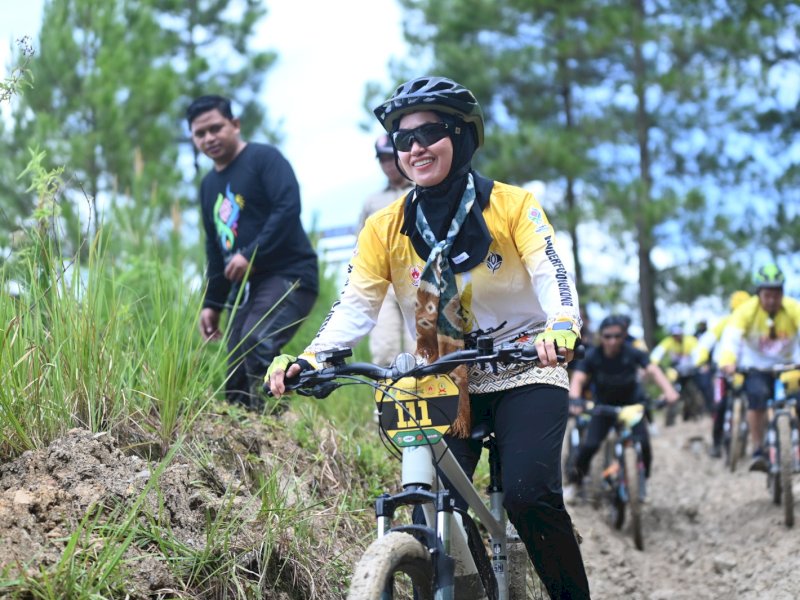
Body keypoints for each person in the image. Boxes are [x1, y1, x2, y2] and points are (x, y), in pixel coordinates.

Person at [268, 76, 590, 599]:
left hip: (524, 361)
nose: (415, 148)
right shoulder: (383, 227)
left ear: (462, 137)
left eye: (430, 133)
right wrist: (311, 358)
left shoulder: (513, 205)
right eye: (403, 139)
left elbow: (552, 273)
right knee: (432, 509)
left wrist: (560, 325)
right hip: (438, 373)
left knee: (531, 497)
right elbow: (355, 303)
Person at [187, 94, 319, 410]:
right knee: (234, 361)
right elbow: (215, 247)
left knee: (255, 341)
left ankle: (277, 427)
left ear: (234, 125)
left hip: (291, 275)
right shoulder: (208, 186)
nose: (209, 138)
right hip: (253, 286)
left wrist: (250, 254)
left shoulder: (264, 159)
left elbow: (288, 209)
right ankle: (242, 434)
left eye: (215, 128)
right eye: (200, 133)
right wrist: (212, 303)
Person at [564, 315, 679, 501]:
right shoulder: (592, 355)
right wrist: (575, 399)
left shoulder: (633, 353)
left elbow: (653, 370)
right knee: (589, 447)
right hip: (603, 409)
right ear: (601, 337)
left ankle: (641, 482)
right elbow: (578, 378)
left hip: (632, 409)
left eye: (617, 336)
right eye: (608, 336)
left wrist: (669, 391)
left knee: (645, 445)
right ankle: (575, 482)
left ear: (624, 336)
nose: (612, 341)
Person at [717, 264, 800, 471]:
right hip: (756, 367)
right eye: (767, 295)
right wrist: (728, 361)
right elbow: (731, 338)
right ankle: (758, 448)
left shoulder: (793, 308)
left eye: (776, 294)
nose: (772, 300)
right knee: (757, 399)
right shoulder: (746, 311)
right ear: (759, 294)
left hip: (789, 365)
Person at [357, 134, 415, 366]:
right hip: (385, 283)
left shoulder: (422, 190)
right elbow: (360, 246)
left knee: (423, 351)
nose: (388, 165)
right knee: (384, 351)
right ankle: (387, 401)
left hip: (418, 279)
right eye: (382, 160)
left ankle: (429, 401)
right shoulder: (372, 202)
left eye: (391, 158)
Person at [692, 290, 751, 457]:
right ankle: (717, 443)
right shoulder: (724, 323)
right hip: (723, 370)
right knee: (720, 405)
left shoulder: (754, 322)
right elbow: (706, 342)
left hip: (747, 370)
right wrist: (700, 360)